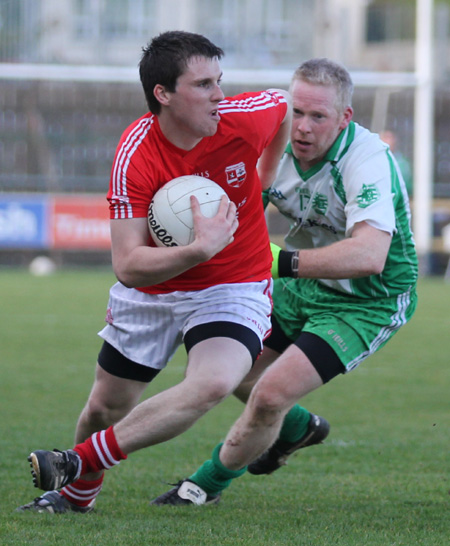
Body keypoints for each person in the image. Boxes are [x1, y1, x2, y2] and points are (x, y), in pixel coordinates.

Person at [18, 30, 291, 513]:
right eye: (203, 84)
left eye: (219, 80)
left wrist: (264, 178)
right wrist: (200, 247)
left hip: (234, 285)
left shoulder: (242, 121)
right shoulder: (136, 154)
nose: (220, 95)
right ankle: (79, 497)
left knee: (213, 382)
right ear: (163, 94)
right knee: (104, 408)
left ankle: (74, 462)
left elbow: (284, 106)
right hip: (155, 291)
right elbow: (128, 265)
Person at [148, 57, 419, 506]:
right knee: (234, 371)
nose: (303, 127)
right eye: (297, 111)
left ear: (344, 118)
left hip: (367, 300)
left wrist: (280, 262)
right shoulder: (272, 142)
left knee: (270, 393)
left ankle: (201, 487)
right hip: (301, 285)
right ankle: (299, 429)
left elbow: (371, 256)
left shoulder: (366, 160)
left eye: (318, 116)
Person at [380, 130, 413, 196]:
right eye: (385, 138)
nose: (388, 141)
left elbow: (405, 184)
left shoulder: (402, 163)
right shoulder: (373, 160)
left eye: (390, 138)